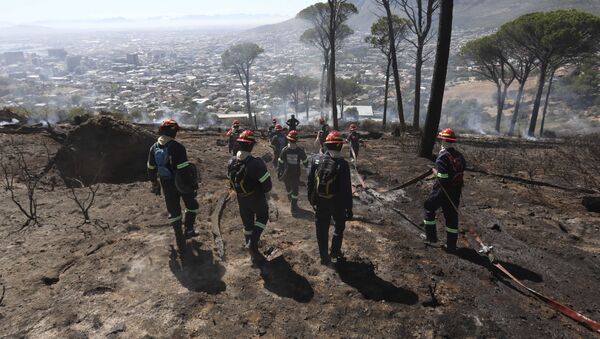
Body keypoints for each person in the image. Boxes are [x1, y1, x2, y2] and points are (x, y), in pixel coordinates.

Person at [147, 119, 200, 243]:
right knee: (192, 205)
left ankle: (178, 235)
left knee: (173, 209)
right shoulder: (178, 147)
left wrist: (154, 182)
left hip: (166, 182)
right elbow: (183, 170)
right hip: (180, 181)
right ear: (174, 132)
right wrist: (191, 185)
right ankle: (189, 230)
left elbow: (151, 168)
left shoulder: (154, 148)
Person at [307, 131, 353, 266]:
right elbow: (346, 189)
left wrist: (312, 199)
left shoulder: (316, 159)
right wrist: (348, 208)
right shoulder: (343, 164)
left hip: (321, 201)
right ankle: (335, 251)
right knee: (339, 226)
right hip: (337, 203)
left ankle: (324, 257)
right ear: (339, 146)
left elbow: (310, 181)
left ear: (326, 145)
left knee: (321, 229)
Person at [227, 130, 273, 263]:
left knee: (247, 225)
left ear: (239, 144)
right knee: (262, 217)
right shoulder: (257, 163)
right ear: (251, 145)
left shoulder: (232, 161)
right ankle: (252, 244)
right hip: (256, 197)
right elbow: (267, 185)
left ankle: (252, 252)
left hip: (241, 198)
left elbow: (229, 179)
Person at [423, 128, 466, 253]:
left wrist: (437, 173)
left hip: (442, 191)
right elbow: (461, 170)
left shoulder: (442, 157)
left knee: (428, 207)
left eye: (441, 139)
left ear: (443, 141)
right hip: (456, 192)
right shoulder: (459, 156)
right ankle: (451, 245)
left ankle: (431, 237)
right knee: (451, 217)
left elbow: (443, 178)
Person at [277, 130, 308, 214]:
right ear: (296, 140)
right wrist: (307, 166)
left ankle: (290, 199)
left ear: (288, 139)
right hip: (296, 173)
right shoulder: (299, 150)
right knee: (295, 190)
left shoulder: (284, 150)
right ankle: (293, 206)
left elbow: (280, 162)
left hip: (286, 173)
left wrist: (279, 172)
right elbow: (305, 162)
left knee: (288, 187)